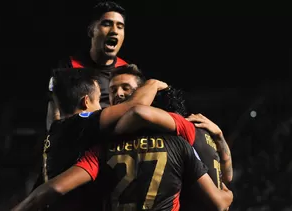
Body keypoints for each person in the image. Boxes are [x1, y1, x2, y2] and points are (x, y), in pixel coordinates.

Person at [12, 66, 233, 211]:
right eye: (112, 91)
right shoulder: (182, 140)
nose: (117, 95)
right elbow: (224, 185)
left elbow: (51, 190)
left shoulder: (101, 147)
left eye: (126, 89)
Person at [29, 67, 169, 210]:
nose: (102, 107)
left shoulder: (56, 128)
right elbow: (134, 106)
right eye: (98, 100)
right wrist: (153, 84)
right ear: (85, 102)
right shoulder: (81, 123)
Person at [47, 1, 129, 131]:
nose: (114, 31)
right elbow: (55, 112)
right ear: (91, 31)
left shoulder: (126, 70)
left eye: (120, 27)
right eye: (107, 24)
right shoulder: (69, 66)